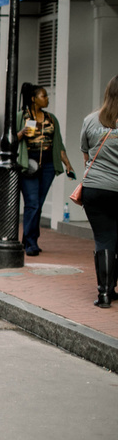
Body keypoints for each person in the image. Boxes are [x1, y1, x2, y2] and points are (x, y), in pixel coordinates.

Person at [17, 82, 74, 256]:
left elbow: (59, 144)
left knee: (38, 205)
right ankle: (30, 242)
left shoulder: (51, 118)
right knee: (32, 204)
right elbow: (9, 140)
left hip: (48, 166)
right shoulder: (22, 116)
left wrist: (68, 164)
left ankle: (29, 238)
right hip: (29, 165)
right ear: (34, 99)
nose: (47, 99)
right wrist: (22, 133)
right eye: (44, 96)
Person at [78, 75, 118, 308]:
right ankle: (111, 287)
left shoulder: (91, 120)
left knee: (103, 238)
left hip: (95, 187)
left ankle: (104, 294)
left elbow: (86, 155)